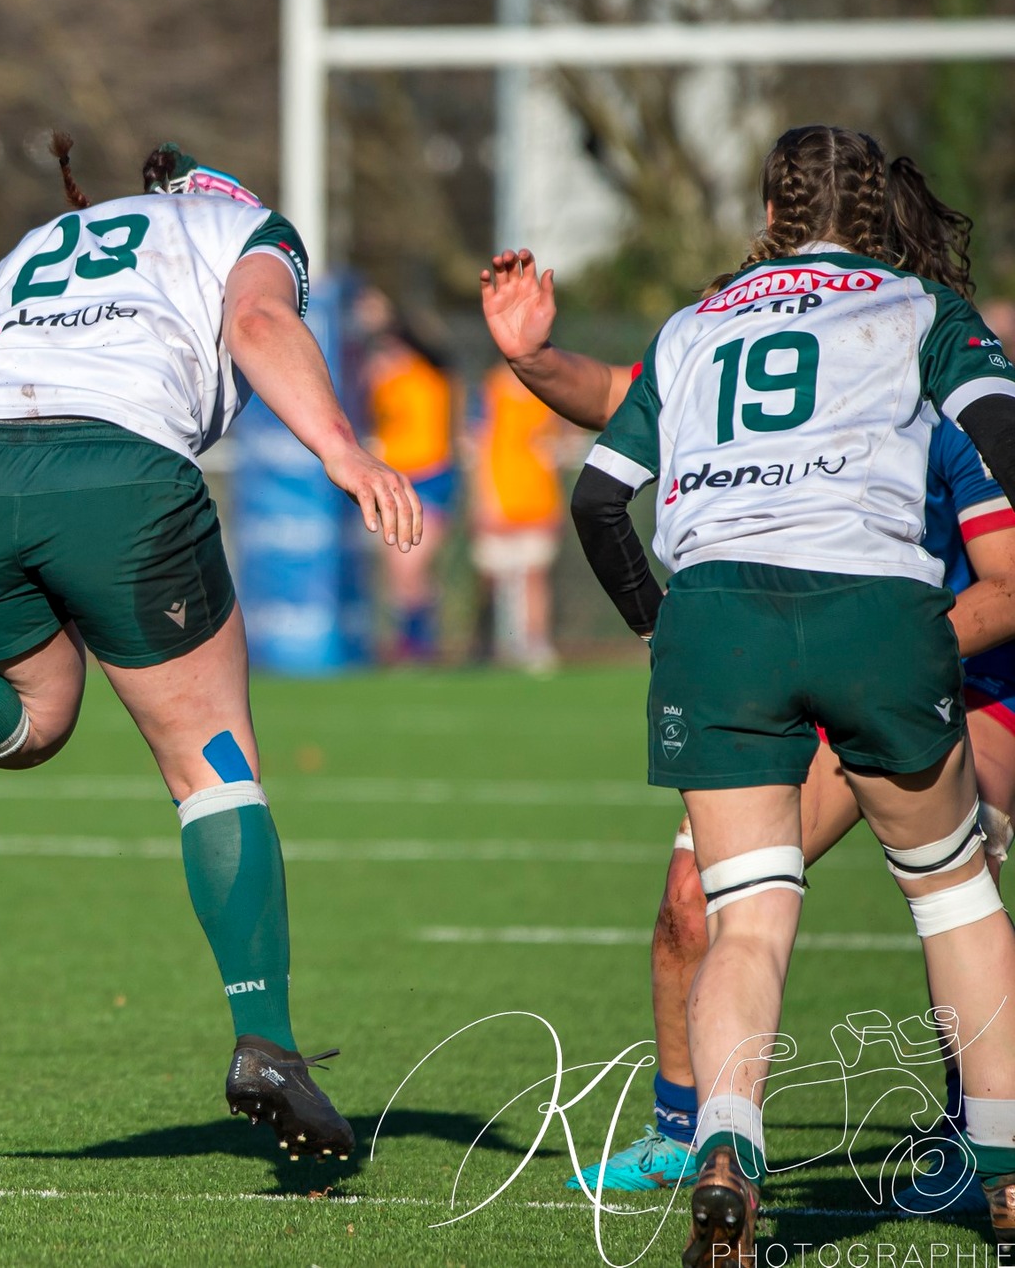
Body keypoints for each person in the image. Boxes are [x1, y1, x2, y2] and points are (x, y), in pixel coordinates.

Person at [0, 138, 418, 1164]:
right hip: (115, 468)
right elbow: (260, 319)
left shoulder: (40, 240)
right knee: (211, 766)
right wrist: (342, 449)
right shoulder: (244, 230)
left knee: (32, 719)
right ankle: (265, 1042)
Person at [484, 247, 1015, 1206]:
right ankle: (686, 1134)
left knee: (960, 874)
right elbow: (618, 392)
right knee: (698, 899)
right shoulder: (762, 373)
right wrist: (532, 358)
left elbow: (1008, 586)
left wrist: (895, 649)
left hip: (959, 675)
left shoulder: (940, 401)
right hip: (828, 654)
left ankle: (984, 1129)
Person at [356, 288, 457, 660]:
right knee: (399, 571)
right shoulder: (377, 375)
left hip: (432, 475)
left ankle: (420, 641)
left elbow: (423, 341)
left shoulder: (429, 369)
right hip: (396, 477)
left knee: (412, 563)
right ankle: (413, 643)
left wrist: (385, 318)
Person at [465, 359, 565, 671]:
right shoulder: (489, 389)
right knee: (493, 576)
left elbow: (564, 433)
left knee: (534, 575)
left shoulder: (551, 384)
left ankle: (534, 643)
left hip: (538, 498)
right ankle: (489, 645)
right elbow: (476, 448)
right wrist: (481, 500)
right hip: (499, 497)